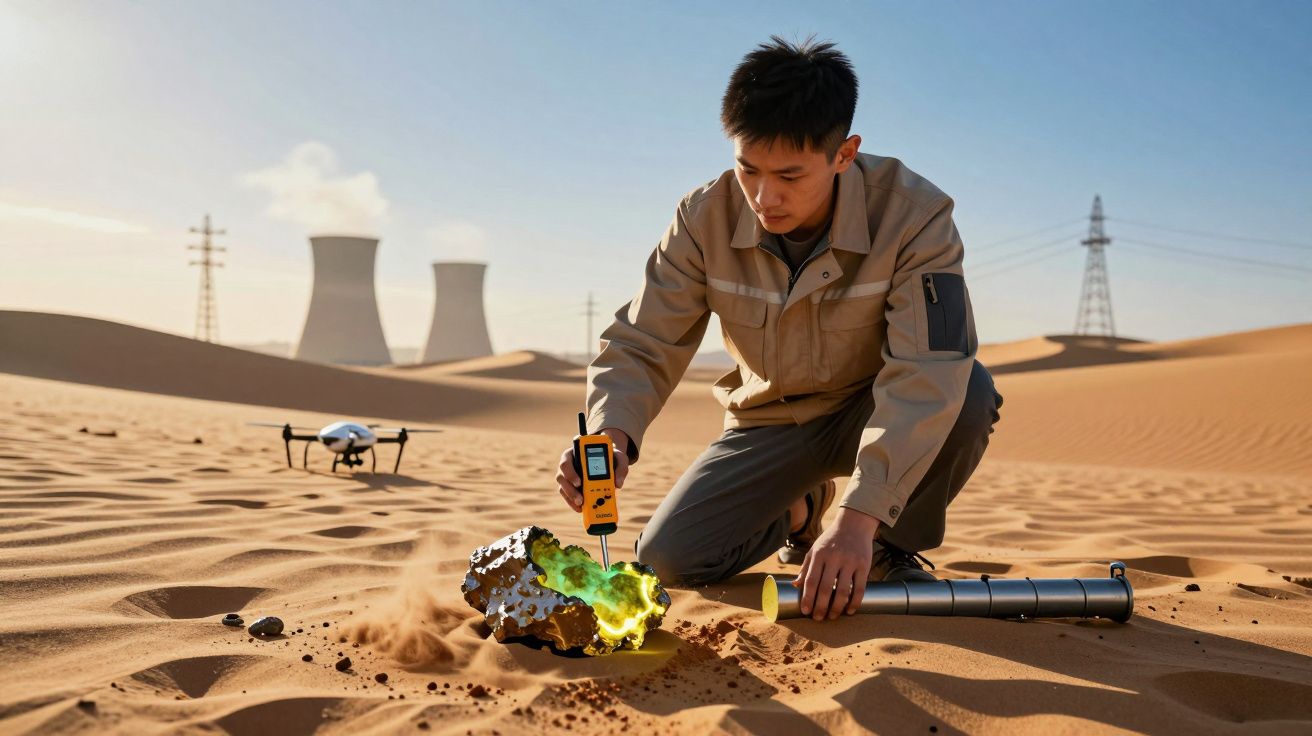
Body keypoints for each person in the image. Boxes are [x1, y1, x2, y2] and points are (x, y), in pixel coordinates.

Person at [556, 36, 1003, 622]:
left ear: (845, 153)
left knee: (968, 391)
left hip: (870, 410)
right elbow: (644, 340)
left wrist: (861, 517)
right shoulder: (702, 217)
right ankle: (802, 509)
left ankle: (890, 548)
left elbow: (929, 369)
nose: (765, 197)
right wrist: (613, 432)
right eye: (749, 170)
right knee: (666, 560)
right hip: (769, 419)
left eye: (790, 175)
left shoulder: (916, 217)